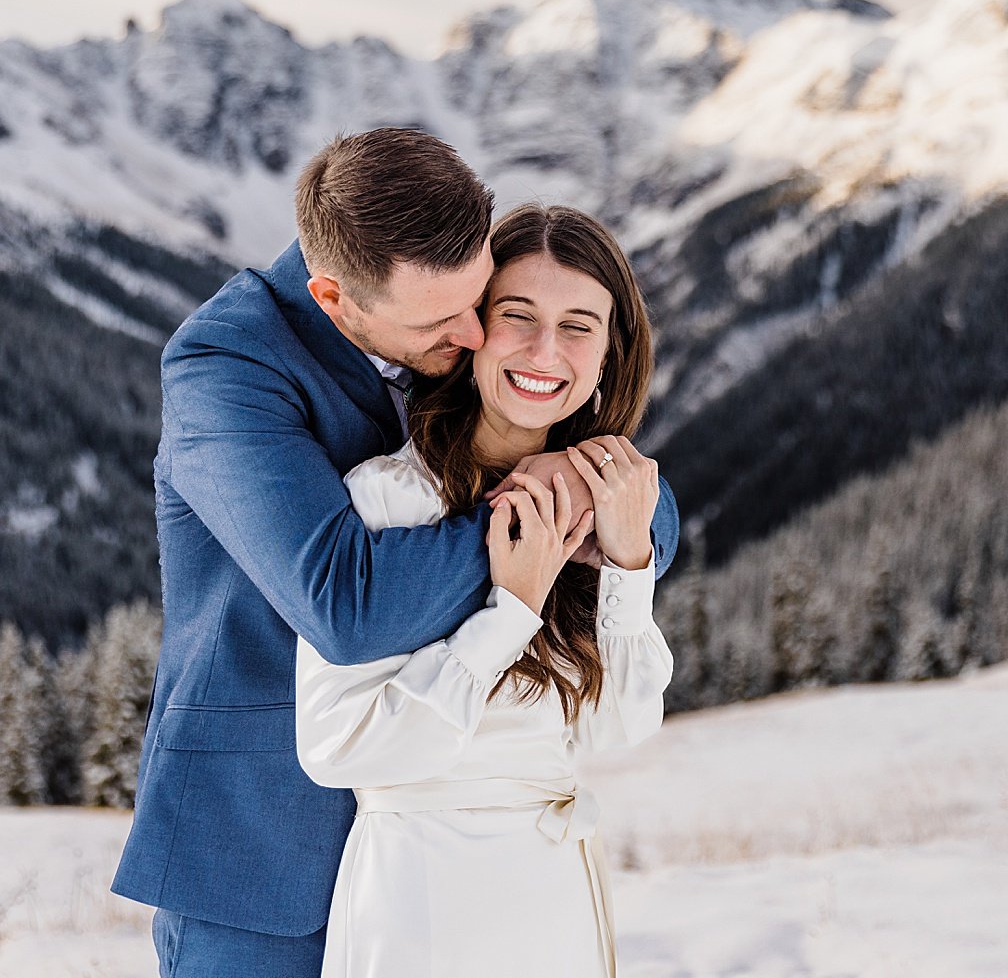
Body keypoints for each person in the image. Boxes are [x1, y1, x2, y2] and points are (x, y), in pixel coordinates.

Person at [109, 127, 681, 978]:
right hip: (267, 845)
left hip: (454, 851)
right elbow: (345, 601)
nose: (476, 334)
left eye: (480, 298)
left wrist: (596, 488)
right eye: (445, 321)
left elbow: (645, 507)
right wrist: (536, 523)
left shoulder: (440, 293)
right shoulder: (226, 366)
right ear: (335, 296)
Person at [297, 203, 673, 978]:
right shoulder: (388, 499)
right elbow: (334, 748)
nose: (546, 349)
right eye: (518, 314)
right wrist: (510, 612)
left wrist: (630, 563)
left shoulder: (598, 506)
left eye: (579, 324)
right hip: (423, 893)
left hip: (554, 888)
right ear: (471, 326)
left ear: (609, 352)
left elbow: (618, 727)